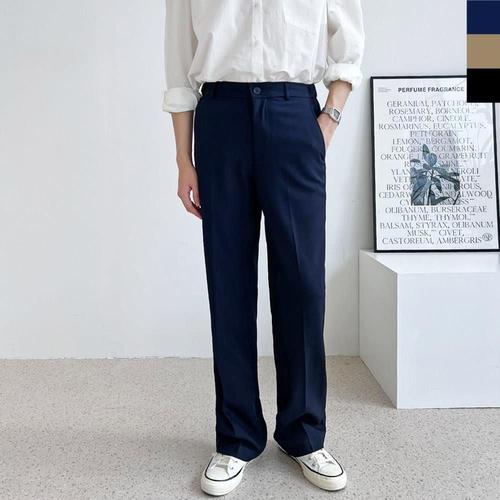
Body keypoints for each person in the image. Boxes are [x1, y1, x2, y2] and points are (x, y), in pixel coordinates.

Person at [163, 0, 365, 495]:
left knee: (302, 282)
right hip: (221, 118)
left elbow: (349, 44)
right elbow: (178, 61)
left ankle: (305, 434)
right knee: (228, 280)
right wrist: (183, 160)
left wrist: (329, 118)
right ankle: (236, 437)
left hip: (295, 114)